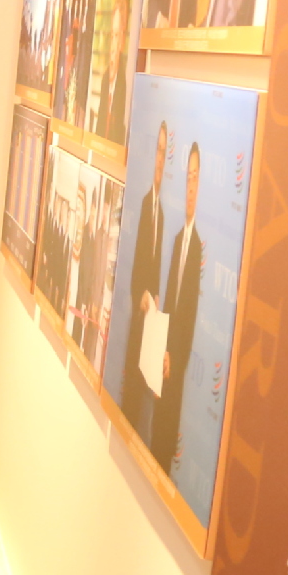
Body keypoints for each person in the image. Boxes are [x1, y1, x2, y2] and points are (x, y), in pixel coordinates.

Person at [149, 143, 205, 475]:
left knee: (165, 450)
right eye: (188, 179)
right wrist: (162, 347)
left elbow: (189, 316)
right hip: (162, 357)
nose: (190, 187)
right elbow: (169, 304)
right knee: (154, 439)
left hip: (176, 365)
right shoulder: (176, 241)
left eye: (196, 179)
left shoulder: (198, 248)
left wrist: (174, 356)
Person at [117, 122, 170, 442]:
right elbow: (132, 270)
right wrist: (142, 296)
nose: (161, 159)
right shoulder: (142, 205)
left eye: (165, 152)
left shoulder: (161, 214)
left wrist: (156, 298)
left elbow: (155, 273)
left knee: (141, 419)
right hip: (136, 324)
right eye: (158, 151)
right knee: (128, 407)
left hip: (150, 332)